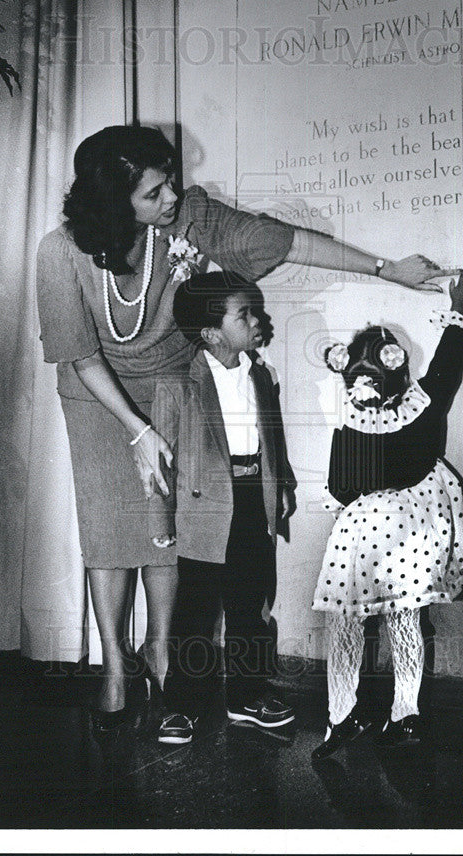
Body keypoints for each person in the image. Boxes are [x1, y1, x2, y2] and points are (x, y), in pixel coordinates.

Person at [35, 123, 453, 729]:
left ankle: (161, 653)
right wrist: (135, 428)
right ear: (111, 203)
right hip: (96, 396)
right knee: (108, 530)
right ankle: (116, 671)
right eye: (154, 194)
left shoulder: (189, 219)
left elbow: (281, 243)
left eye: (170, 183)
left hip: (178, 389)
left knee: (178, 535)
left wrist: (388, 270)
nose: (172, 198)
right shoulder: (59, 250)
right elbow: (79, 352)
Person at [310, 267, 463, 759]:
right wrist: (458, 312)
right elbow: (448, 364)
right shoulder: (422, 402)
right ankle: (402, 714)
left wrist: (357, 492)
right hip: (411, 526)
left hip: (367, 531)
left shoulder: (353, 419)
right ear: (399, 369)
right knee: (403, 619)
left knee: (348, 623)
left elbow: (341, 485)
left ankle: (342, 716)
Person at [146, 271, 296, 745]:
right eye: (244, 313)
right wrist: (160, 517)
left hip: (254, 500)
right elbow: (157, 459)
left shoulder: (261, 375)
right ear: (212, 332)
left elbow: (272, 437)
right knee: (196, 609)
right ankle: (182, 705)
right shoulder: (177, 384)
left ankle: (247, 697)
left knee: (250, 604)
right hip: (205, 508)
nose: (256, 320)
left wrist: (282, 485)